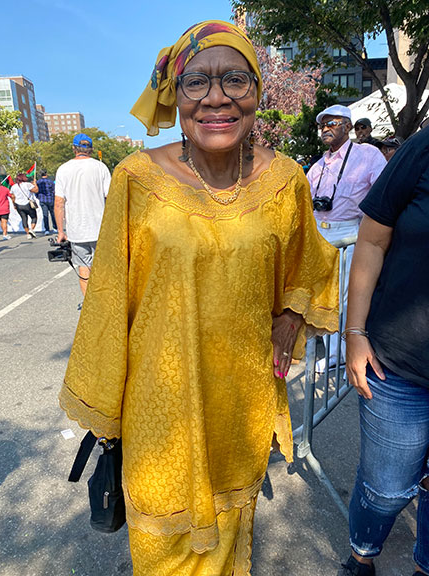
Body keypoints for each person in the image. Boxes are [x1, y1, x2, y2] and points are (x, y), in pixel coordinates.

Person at [59, 20, 339, 576]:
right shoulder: (137, 178)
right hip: (159, 407)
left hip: (240, 402)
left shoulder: (285, 180)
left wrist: (290, 315)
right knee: (164, 548)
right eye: (197, 82)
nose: (216, 98)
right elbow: (108, 299)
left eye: (235, 79)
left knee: (229, 542)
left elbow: (309, 262)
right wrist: (104, 406)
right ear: (175, 94)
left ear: (256, 92)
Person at [341, 126, 429, 576]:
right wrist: (354, 332)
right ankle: (362, 557)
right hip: (397, 363)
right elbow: (372, 240)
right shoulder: (424, 146)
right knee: (386, 490)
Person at [307, 105, 386, 372]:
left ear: (348, 126)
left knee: (345, 298)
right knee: (324, 296)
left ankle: (343, 354)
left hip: (351, 233)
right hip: (320, 233)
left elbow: (382, 194)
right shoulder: (318, 165)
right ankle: (333, 352)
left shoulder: (367, 154)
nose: (325, 129)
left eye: (332, 123)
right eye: (322, 125)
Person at [54, 133, 111, 295]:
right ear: (91, 150)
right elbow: (111, 197)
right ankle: (105, 301)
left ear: (74, 149)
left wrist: (60, 232)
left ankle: (89, 305)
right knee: (104, 267)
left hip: (77, 230)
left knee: (84, 268)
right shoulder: (100, 167)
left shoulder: (63, 169)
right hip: (100, 229)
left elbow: (59, 203)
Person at [10, 173, 39, 239]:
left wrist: (14, 205)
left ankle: (28, 234)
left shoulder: (13, 187)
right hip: (27, 204)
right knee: (34, 217)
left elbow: (13, 197)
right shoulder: (27, 184)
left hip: (18, 205)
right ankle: (31, 229)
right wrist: (35, 184)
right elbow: (36, 190)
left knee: (24, 219)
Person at [36, 170, 57, 235]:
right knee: (53, 214)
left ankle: (47, 229)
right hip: (50, 199)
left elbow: (36, 191)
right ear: (46, 174)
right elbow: (54, 190)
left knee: (45, 214)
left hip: (42, 200)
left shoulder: (38, 182)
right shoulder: (50, 182)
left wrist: (38, 197)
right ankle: (55, 227)